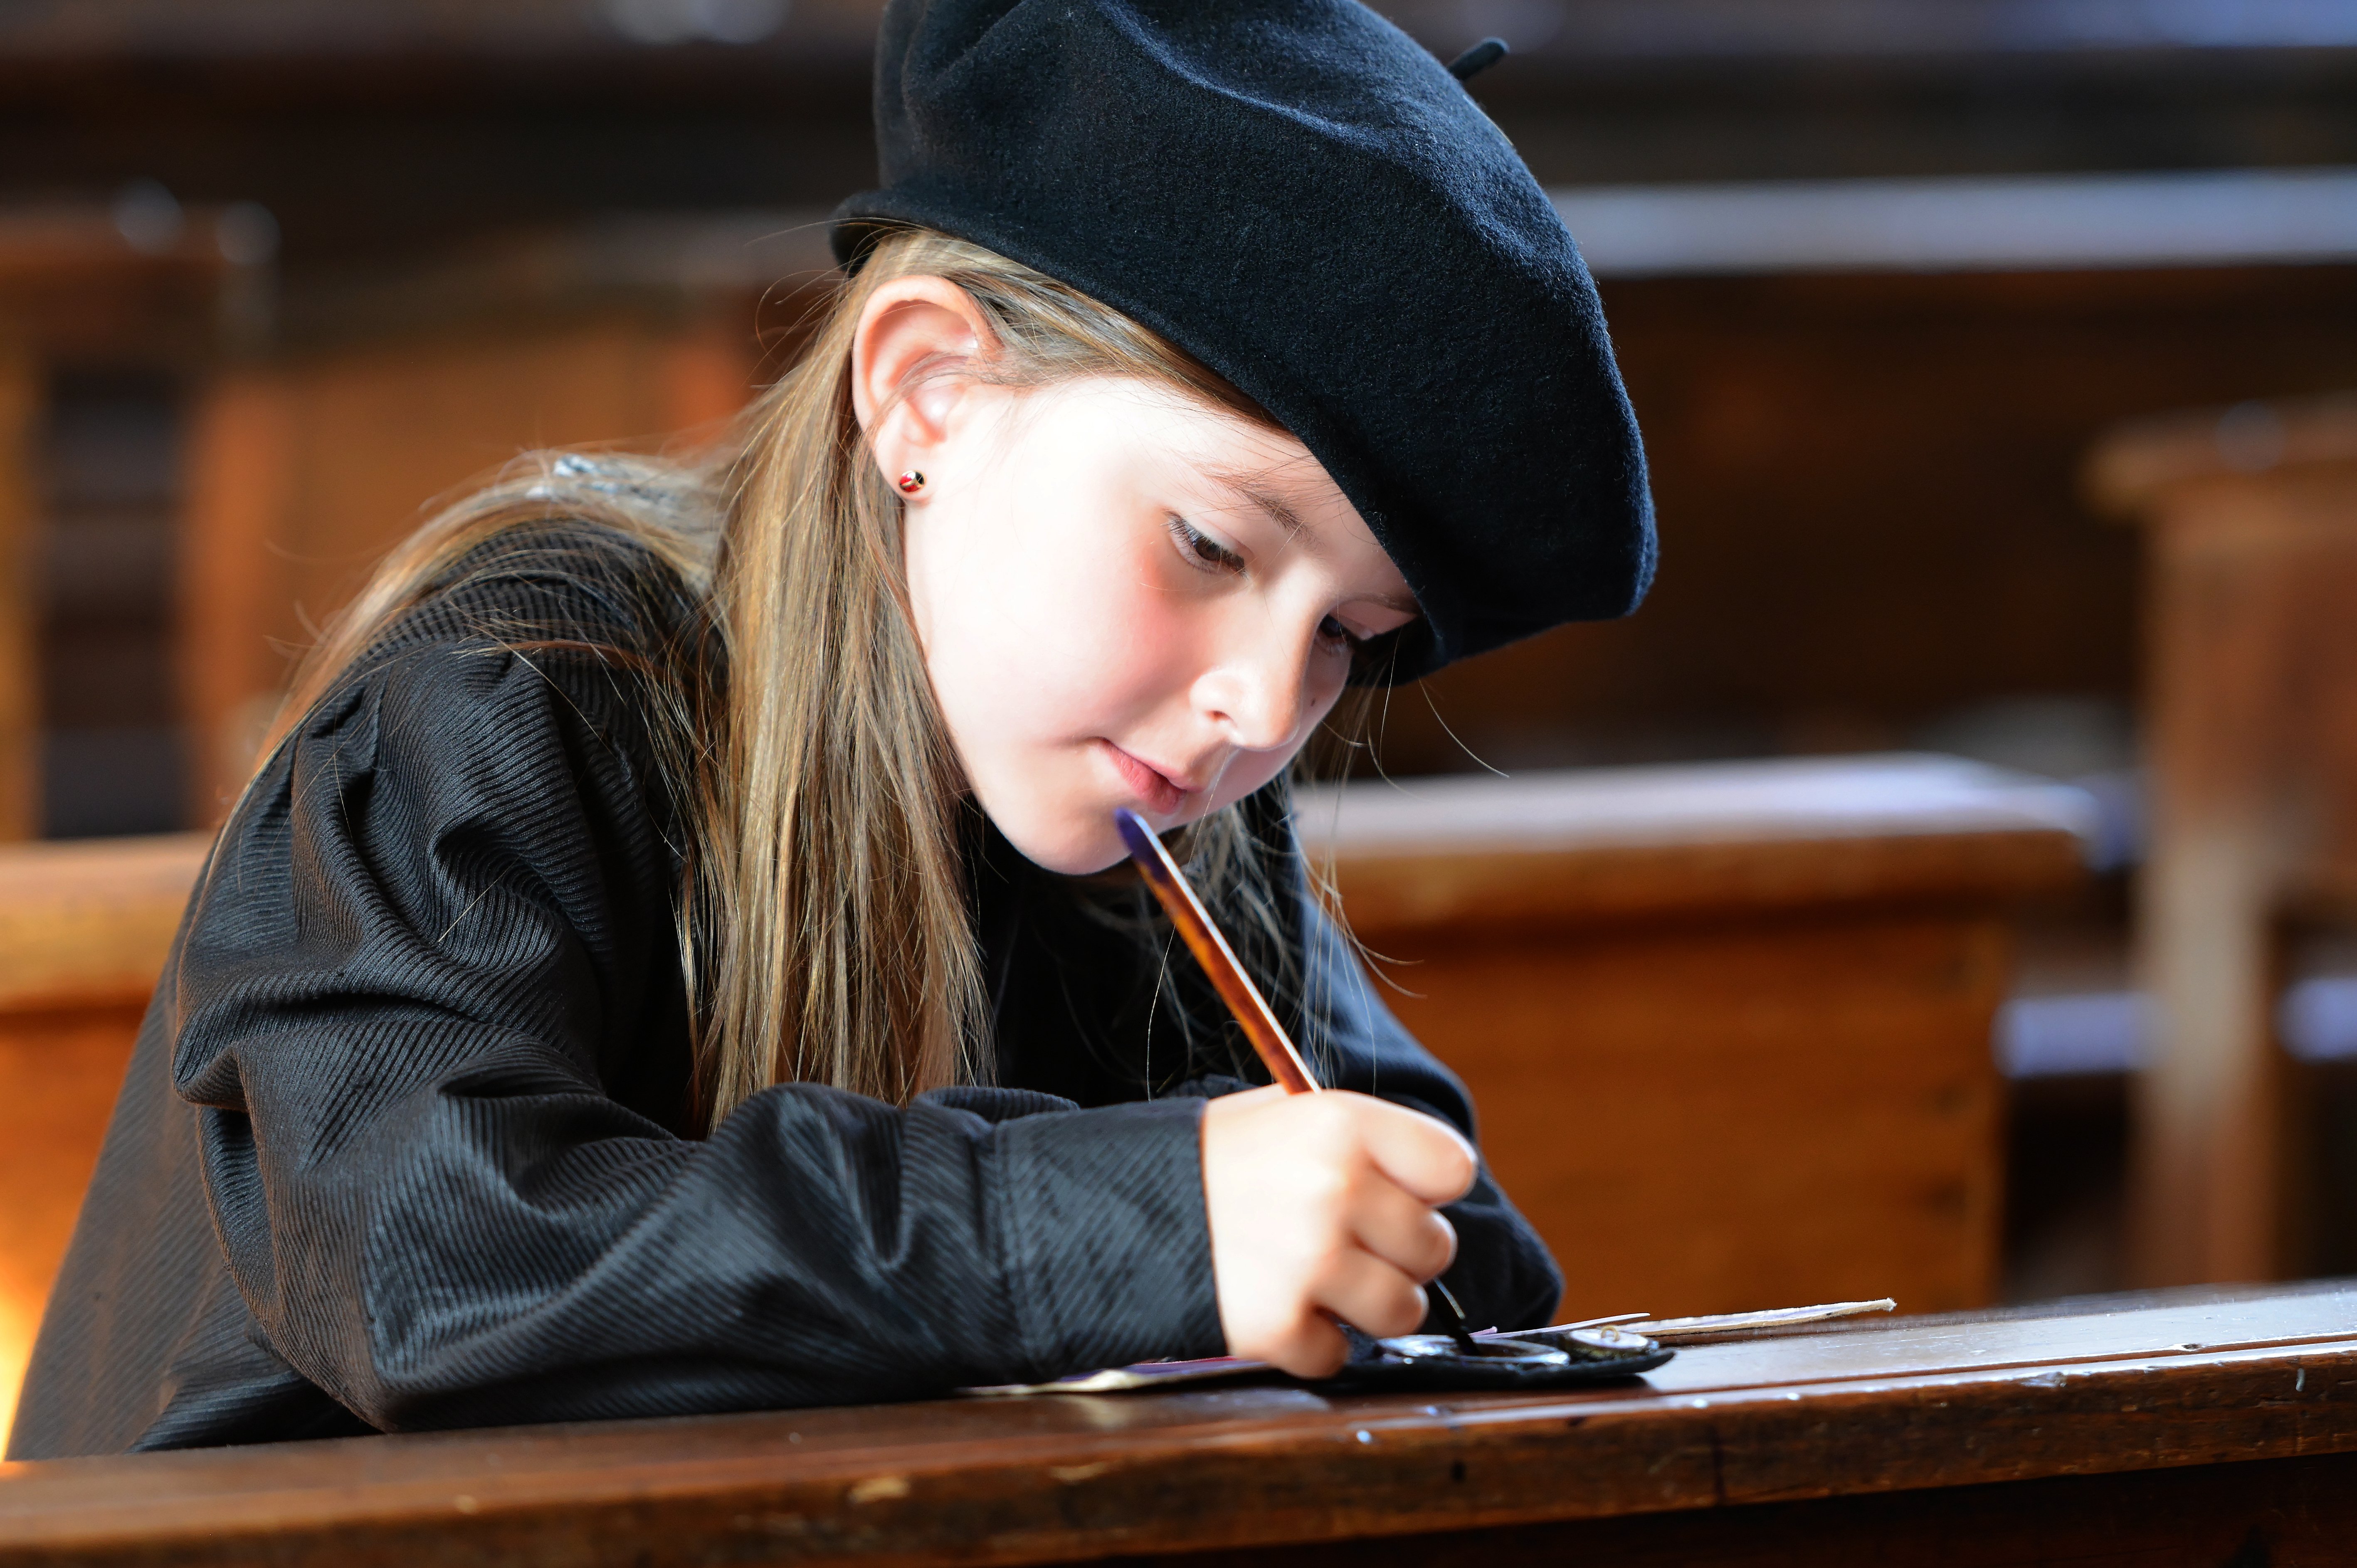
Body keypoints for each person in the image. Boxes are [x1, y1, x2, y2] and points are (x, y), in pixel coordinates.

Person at [10, 0, 1653, 1459]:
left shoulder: (1165, 810)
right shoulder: (517, 694)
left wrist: (1359, 1244)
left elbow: (1463, 1262)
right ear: (928, 393)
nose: (1263, 705)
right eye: (1209, 546)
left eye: (1350, 637)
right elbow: (427, 1262)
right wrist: (1111, 1224)